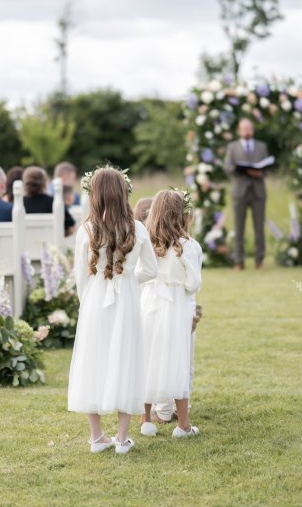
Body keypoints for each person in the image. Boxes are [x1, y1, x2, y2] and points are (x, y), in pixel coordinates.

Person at [68, 166, 158, 454]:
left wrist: (89, 299)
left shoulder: (87, 230)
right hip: (126, 300)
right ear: (122, 194)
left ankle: (96, 437)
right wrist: (128, 278)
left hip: (95, 299)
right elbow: (151, 270)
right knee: (125, 359)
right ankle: (121, 438)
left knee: (93, 360)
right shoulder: (138, 228)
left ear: (95, 196)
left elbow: (80, 276)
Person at [140, 189, 202, 439]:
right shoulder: (188, 246)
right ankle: (182, 426)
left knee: (146, 357)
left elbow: (140, 274)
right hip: (175, 306)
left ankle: (145, 420)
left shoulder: (146, 242)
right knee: (177, 359)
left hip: (148, 303)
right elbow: (193, 284)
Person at [224, 118, 269, 270]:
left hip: (258, 192)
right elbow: (228, 167)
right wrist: (244, 170)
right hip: (239, 192)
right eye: (244, 128)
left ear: (253, 130)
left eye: (249, 128)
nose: (247, 131)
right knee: (239, 228)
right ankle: (239, 261)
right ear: (239, 130)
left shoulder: (262, 147)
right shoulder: (232, 147)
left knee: (259, 228)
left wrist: (259, 173)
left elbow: (267, 169)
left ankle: (259, 260)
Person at [22, 166, 75, 236]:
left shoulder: (19, 204)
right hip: (50, 246)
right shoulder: (54, 202)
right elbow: (72, 226)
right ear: (44, 183)